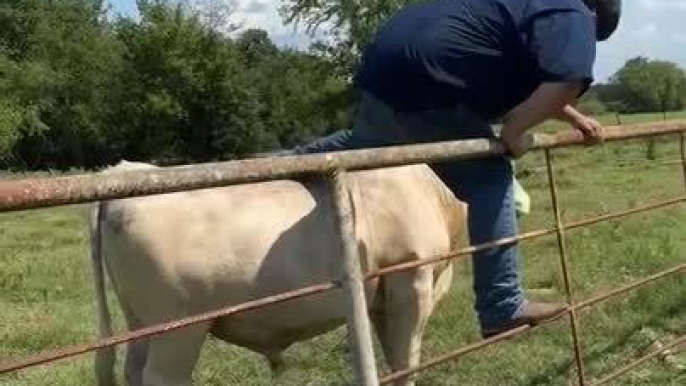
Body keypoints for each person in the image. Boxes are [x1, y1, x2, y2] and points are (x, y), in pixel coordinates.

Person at [278, 0, 622, 338]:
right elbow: (567, 80)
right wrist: (515, 130)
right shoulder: (574, 13)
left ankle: (281, 165)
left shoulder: (518, 8)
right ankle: (503, 305)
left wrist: (574, 118)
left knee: (370, 142)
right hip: (434, 83)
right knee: (490, 175)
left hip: (387, 68)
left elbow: (542, 87)